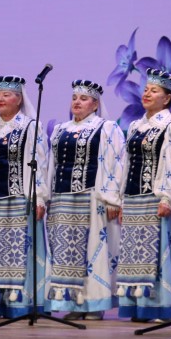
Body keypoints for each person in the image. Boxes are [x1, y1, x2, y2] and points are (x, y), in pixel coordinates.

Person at [116, 69, 171, 322]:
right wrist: (122, 201)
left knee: (158, 252)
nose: (147, 94)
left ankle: (162, 306)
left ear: (167, 98)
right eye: (146, 89)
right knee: (135, 254)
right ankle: (139, 306)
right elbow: (127, 163)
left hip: (157, 197)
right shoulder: (135, 126)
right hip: (134, 196)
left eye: (154, 91)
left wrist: (167, 197)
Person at [0, 76, 48, 318]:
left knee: (17, 251)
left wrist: (39, 197)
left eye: (6, 95)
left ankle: (18, 304)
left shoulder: (30, 127)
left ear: (19, 99)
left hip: (18, 199)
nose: (0, 99)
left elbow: (39, 163)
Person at [45, 79, 124, 321]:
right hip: (62, 198)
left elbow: (115, 162)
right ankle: (73, 302)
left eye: (83, 98)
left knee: (92, 252)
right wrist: (45, 196)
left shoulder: (106, 128)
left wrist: (112, 199)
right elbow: (51, 164)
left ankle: (93, 304)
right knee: (65, 252)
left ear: (95, 104)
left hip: (90, 198)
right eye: (74, 98)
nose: (77, 102)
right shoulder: (60, 129)